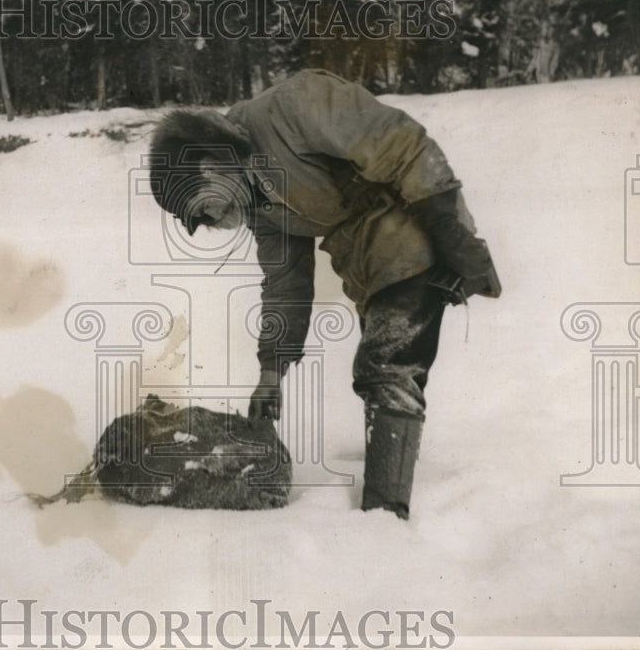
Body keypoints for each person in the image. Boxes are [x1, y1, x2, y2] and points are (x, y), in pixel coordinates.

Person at [148, 68, 500, 519]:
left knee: (387, 365)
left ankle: (385, 515)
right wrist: (272, 369)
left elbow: (404, 145)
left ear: (211, 166)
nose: (212, 222)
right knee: (389, 369)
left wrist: (451, 234)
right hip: (366, 261)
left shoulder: (294, 107)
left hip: (416, 222)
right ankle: (387, 493)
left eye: (203, 209)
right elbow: (285, 281)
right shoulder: (257, 199)